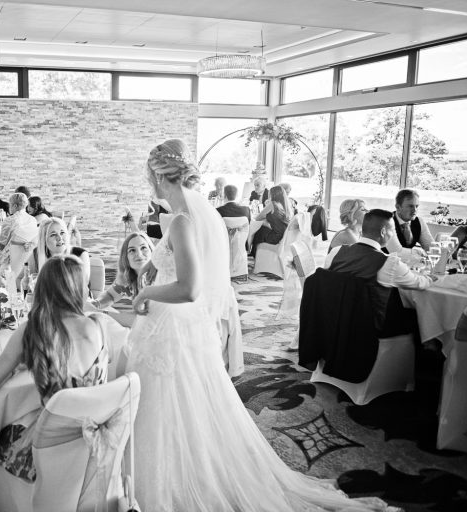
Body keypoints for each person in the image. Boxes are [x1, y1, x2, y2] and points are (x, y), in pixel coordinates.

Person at [125, 139, 397, 511]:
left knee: (170, 400)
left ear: (158, 176)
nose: (148, 183)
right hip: (176, 325)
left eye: (148, 175)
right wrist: (149, 273)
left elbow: (190, 289)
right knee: (182, 403)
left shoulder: (183, 220)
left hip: (171, 325)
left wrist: (146, 294)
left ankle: (169, 480)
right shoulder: (186, 215)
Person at [0, 255, 109, 483]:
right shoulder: (98, 325)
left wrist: (16, 364)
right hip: (96, 441)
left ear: (42, 288)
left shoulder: (33, 330)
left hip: (53, 444)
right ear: (79, 289)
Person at [325, 209, 435, 335]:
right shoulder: (389, 263)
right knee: (416, 316)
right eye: (392, 231)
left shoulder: (336, 252)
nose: (393, 235)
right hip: (369, 328)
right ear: (383, 232)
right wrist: (432, 277)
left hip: (334, 320)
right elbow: (420, 284)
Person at [91, 231, 155, 328]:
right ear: (126, 258)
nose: (139, 254)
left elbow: (143, 321)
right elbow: (110, 295)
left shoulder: (159, 278)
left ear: (152, 251)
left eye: (143, 248)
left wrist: (99, 313)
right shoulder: (129, 279)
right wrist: (96, 304)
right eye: (132, 250)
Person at [36, 217, 91, 284]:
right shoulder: (36, 254)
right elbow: (22, 280)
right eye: (53, 235)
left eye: (62, 232)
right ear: (43, 240)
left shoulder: (81, 254)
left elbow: (83, 284)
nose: (59, 238)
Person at [386, 189, 434, 255]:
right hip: (384, 263)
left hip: (407, 263)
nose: (415, 210)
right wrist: (420, 252)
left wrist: (441, 253)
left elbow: (430, 246)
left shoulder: (419, 221)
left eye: (417, 206)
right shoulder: (387, 222)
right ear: (398, 207)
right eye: (410, 206)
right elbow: (396, 252)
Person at [250, 185, 293, 256]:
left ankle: (255, 254)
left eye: (269, 194)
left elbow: (257, 218)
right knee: (262, 228)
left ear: (272, 195)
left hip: (274, 237)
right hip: (282, 236)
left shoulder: (273, 204)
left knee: (259, 229)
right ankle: (256, 254)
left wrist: (264, 222)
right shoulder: (286, 206)